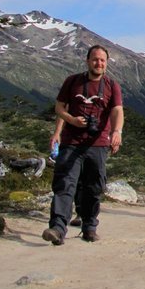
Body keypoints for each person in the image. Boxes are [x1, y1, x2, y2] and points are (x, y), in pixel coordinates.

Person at [42, 44, 124, 245]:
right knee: (65, 184)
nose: (99, 63)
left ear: (106, 63)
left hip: (98, 144)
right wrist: (70, 122)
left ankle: (89, 227)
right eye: (95, 59)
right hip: (71, 142)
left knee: (93, 187)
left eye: (102, 60)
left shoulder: (112, 86)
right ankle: (58, 228)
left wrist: (117, 132)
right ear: (87, 61)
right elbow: (60, 107)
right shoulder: (72, 82)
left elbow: (117, 110)